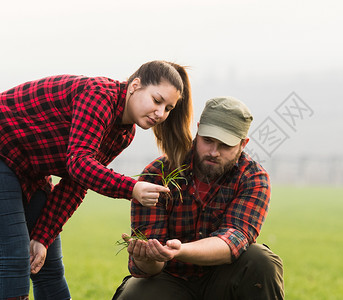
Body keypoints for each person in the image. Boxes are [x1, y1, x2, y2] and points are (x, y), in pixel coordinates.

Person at [0, 60, 193, 300]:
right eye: (157, 100)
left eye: (168, 108)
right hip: (4, 151)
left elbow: (77, 183)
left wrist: (42, 236)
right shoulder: (99, 97)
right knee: (16, 257)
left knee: (45, 260)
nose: (160, 113)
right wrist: (131, 187)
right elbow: (79, 162)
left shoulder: (124, 133)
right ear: (135, 85)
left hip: (30, 171)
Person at [112, 97, 284, 300]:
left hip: (223, 278)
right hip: (171, 278)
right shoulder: (157, 174)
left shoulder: (252, 178)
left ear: (243, 144)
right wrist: (147, 257)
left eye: (225, 146)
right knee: (134, 294)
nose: (213, 152)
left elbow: (233, 239)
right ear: (199, 130)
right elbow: (150, 269)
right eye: (208, 140)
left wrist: (178, 250)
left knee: (260, 260)